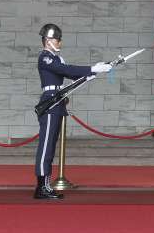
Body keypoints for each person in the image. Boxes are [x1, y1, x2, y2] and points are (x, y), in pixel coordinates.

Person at [34, 23, 112, 200]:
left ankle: (45, 184)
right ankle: (41, 187)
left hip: (57, 102)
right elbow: (65, 70)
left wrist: (93, 71)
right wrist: (91, 68)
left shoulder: (55, 58)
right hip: (50, 103)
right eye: (56, 39)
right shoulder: (45, 57)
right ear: (47, 41)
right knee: (46, 146)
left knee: (51, 146)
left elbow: (70, 74)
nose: (59, 42)